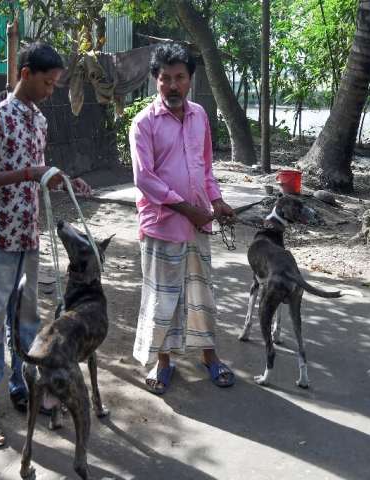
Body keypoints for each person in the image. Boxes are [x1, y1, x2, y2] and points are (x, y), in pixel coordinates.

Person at [0, 41, 91, 449]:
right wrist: (29, 173)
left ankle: (22, 390)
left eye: (55, 84)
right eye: (48, 83)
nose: (51, 91)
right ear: (26, 74)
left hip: (28, 235)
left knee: (26, 325)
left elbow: (38, 172)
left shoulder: (38, 120)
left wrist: (64, 179)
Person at [130, 42, 237, 395]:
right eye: (165, 79)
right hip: (162, 225)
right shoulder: (143, 124)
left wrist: (217, 201)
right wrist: (184, 207)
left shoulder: (200, 116)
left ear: (190, 79)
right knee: (163, 296)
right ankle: (163, 363)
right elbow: (145, 178)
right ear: (155, 81)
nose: (172, 86)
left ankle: (210, 356)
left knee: (200, 292)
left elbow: (206, 168)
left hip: (198, 224)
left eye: (179, 78)